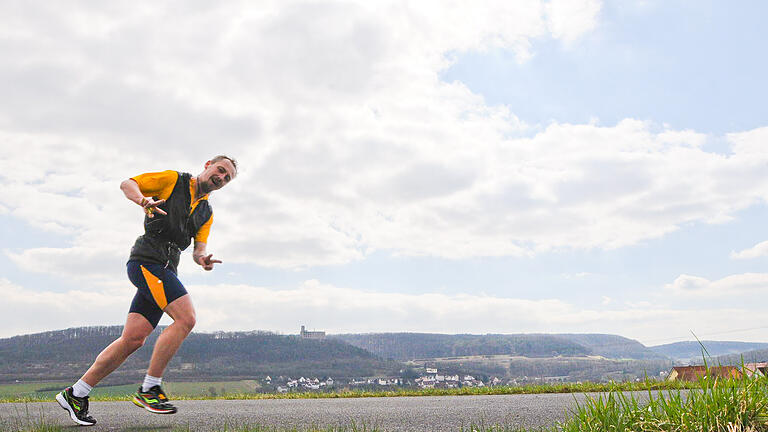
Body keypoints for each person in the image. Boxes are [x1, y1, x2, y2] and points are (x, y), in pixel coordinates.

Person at [56, 156, 237, 426]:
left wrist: (203, 260)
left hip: (167, 269)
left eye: (227, 178)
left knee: (133, 339)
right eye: (220, 170)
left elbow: (199, 248)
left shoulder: (206, 212)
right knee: (186, 319)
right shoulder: (173, 180)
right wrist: (143, 201)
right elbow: (127, 184)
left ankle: (76, 394)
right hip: (148, 261)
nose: (221, 177)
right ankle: (150, 388)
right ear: (208, 164)